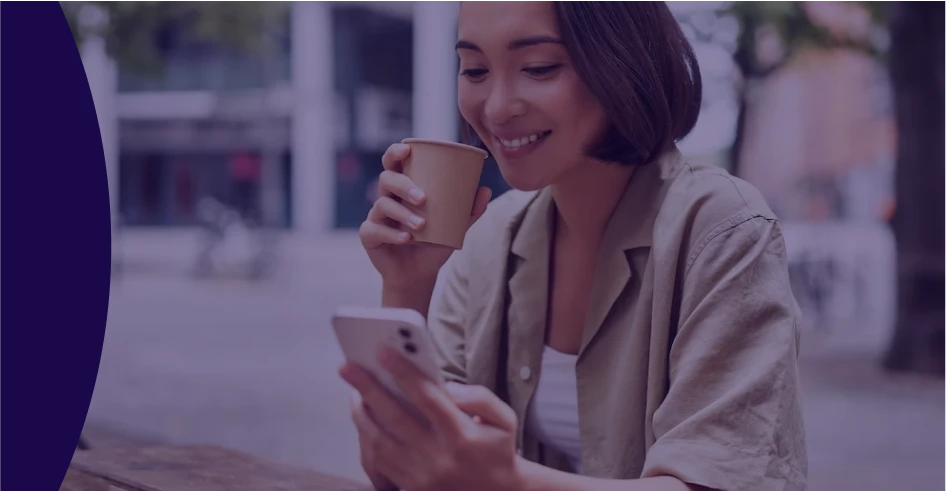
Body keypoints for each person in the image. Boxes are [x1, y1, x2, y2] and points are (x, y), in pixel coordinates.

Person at [340, 1, 807, 490]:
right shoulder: (491, 238)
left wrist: (508, 482)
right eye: (474, 69)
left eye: (538, 68)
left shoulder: (723, 229)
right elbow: (401, 471)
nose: (497, 107)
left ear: (619, 61)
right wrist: (406, 286)